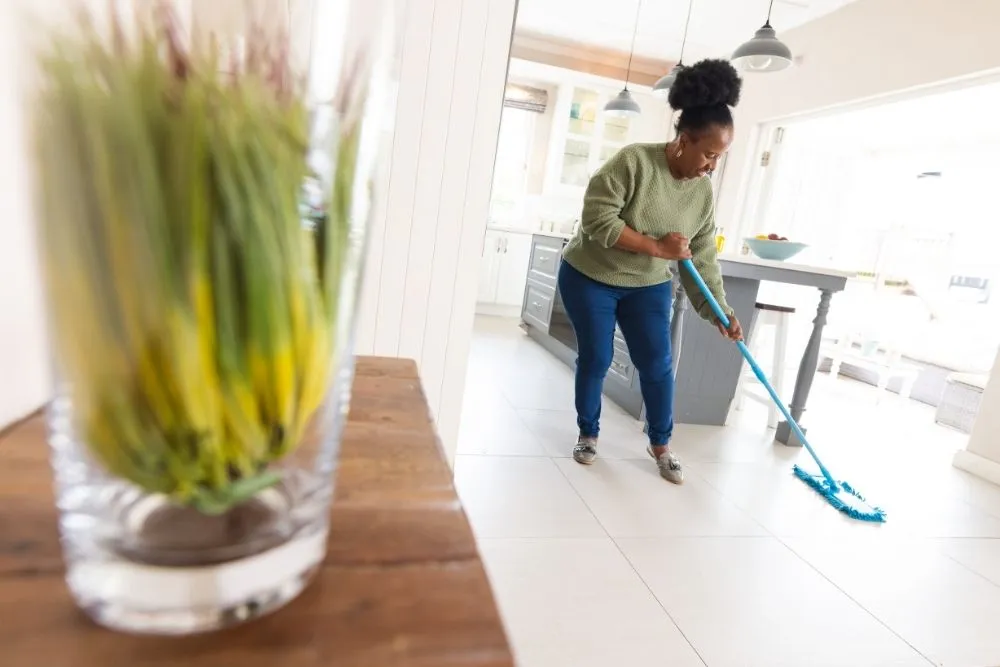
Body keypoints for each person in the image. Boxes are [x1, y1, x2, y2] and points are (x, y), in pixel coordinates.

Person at [558, 59, 744, 484]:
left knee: (658, 364)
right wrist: (656, 246)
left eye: (720, 158)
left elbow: (701, 255)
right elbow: (597, 220)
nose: (711, 166)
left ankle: (661, 444)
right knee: (597, 357)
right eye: (709, 154)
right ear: (684, 140)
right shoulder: (633, 162)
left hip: (647, 284)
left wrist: (719, 309)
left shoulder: (701, 192)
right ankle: (588, 433)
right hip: (590, 275)